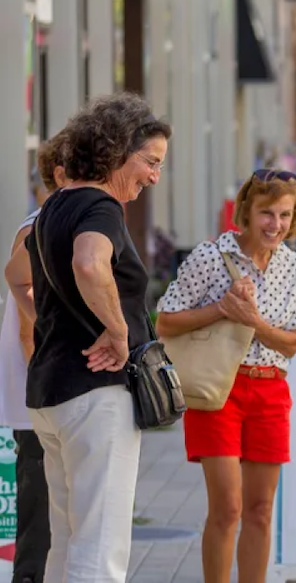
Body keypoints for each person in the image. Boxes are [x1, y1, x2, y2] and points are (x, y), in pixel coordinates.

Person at [18, 93, 170, 582]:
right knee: (100, 546)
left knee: (67, 542)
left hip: (51, 390)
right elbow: (89, 262)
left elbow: (16, 275)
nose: (154, 176)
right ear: (115, 151)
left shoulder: (53, 206)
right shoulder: (100, 207)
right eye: (150, 162)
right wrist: (118, 329)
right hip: (95, 392)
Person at [156, 170, 296, 583]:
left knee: (260, 510)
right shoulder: (209, 257)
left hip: (271, 389)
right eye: (266, 213)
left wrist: (253, 322)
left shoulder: (294, 266)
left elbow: (293, 343)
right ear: (246, 210)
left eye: (284, 214)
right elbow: (165, 323)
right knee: (227, 507)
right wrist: (223, 309)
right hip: (217, 388)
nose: (274, 224)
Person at [1, 145, 69, 583]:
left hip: (38, 395)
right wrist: (47, 394)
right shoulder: (39, 230)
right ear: (61, 176)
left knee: (46, 506)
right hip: (38, 397)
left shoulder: (44, 226)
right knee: (40, 511)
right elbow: (31, 331)